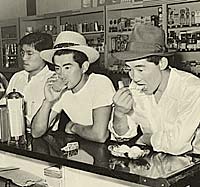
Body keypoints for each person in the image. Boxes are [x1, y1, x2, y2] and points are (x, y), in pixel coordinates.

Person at [109, 24, 200, 155]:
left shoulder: (192, 89)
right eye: (129, 69)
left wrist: (146, 139)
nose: (134, 77)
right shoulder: (136, 87)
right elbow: (123, 137)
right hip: (156, 161)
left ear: (162, 63)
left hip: (193, 164)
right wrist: (119, 113)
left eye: (140, 69)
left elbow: (177, 145)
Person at [31, 31, 116, 143]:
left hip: (113, 150)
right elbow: (36, 133)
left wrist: (73, 127)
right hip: (84, 149)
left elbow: (100, 135)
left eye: (67, 68)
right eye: (57, 68)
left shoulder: (100, 83)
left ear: (84, 67)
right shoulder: (63, 91)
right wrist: (48, 101)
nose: (61, 75)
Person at [6, 32, 54, 125]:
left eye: (29, 53)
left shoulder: (52, 80)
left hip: (43, 137)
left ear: (44, 55)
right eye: (22, 53)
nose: (24, 58)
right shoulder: (17, 77)